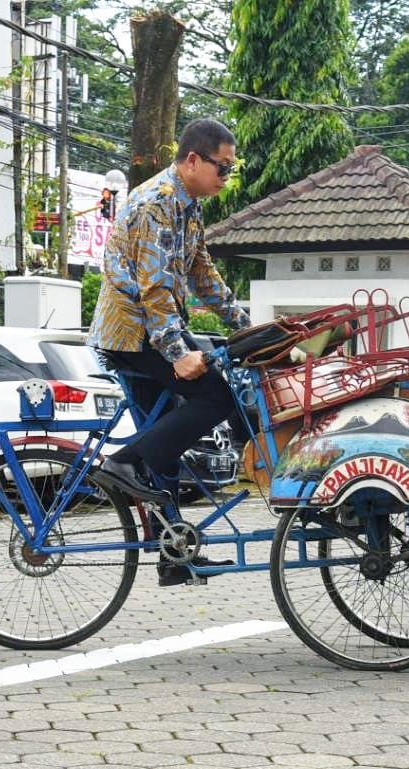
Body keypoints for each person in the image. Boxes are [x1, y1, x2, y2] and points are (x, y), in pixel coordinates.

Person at [88, 118, 251, 586]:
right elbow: (155, 290)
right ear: (193, 160)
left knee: (162, 437)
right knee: (215, 398)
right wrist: (179, 352)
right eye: (222, 168)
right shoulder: (156, 204)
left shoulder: (189, 207)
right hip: (132, 335)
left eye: (230, 170)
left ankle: (173, 556)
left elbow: (203, 278)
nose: (226, 178)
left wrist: (247, 328)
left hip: (152, 331)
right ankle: (121, 461)